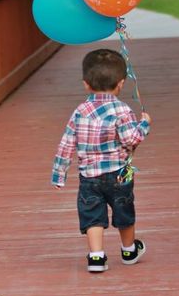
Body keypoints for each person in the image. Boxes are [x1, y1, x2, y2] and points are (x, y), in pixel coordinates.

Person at [51, 48, 151, 273]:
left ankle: (96, 257)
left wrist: (59, 174)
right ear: (121, 84)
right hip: (119, 174)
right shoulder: (123, 110)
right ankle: (128, 251)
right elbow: (130, 140)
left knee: (92, 215)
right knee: (124, 211)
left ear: (86, 83)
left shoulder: (80, 111)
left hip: (89, 176)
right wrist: (144, 125)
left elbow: (67, 143)